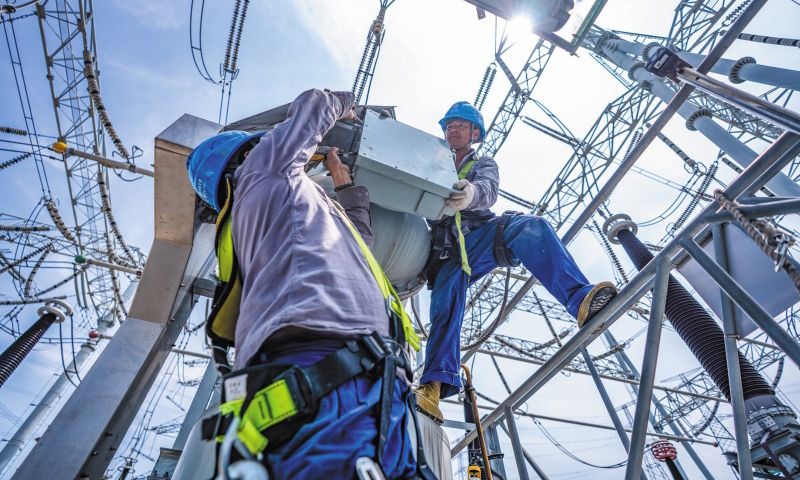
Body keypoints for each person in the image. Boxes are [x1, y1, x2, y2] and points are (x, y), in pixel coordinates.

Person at [185, 89, 432, 480]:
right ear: (248, 155)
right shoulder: (263, 171)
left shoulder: (274, 214)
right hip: (325, 376)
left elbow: (358, 247)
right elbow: (316, 103)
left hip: (369, 385)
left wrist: (344, 185)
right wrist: (347, 105)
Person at [414, 101, 618, 424]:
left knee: (531, 228)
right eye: (449, 125)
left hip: (479, 238)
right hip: (446, 252)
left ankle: (581, 300)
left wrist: (470, 194)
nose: (452, 129)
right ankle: (432, 388)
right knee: (444, 307)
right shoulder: (431, 162)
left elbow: (488, 190)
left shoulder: (482, 164)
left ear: (474, 133)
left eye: (459, 125)